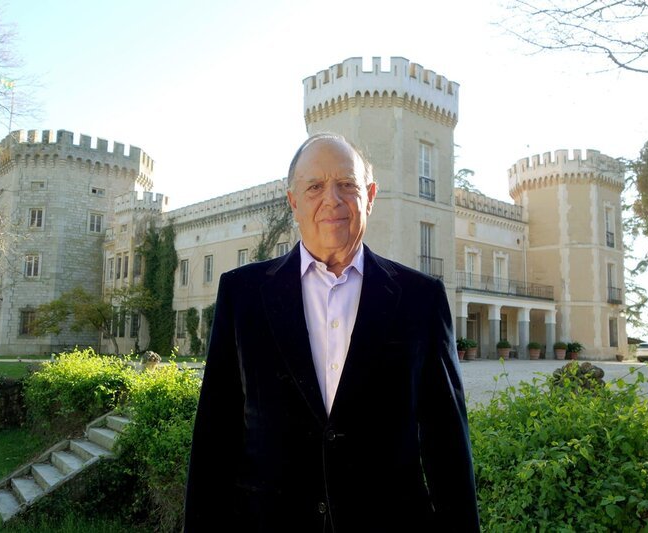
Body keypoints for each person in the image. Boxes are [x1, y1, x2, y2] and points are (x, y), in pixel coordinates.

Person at [184, 133, 480, 532]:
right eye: (315, 187)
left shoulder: (420, 299)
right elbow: (215, 437)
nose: (332, 200)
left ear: (370, 196)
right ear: (293, 202)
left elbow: (447, 444)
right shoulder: (243, 294)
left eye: (347, 185)